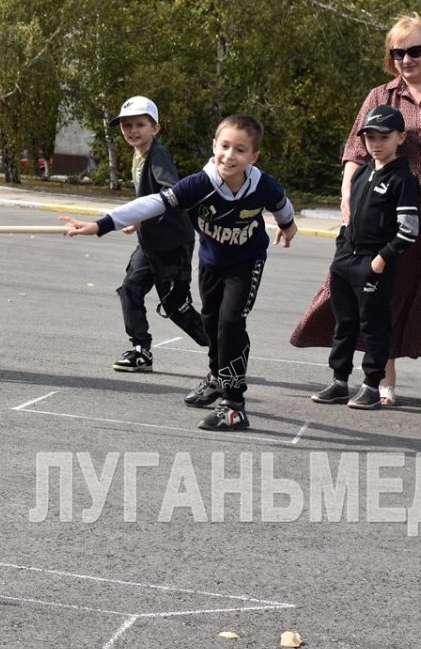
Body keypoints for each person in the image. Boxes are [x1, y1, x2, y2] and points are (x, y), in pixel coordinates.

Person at [291, 14, 421, 411]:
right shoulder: (380, 96)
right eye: (397, 52)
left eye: (414, 50)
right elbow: (354, 152)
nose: (405, 59)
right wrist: (349, 196)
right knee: (385, 291)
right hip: (388, 212)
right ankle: (382, 377)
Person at [62, 114, 298, 432]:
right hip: (212, 264)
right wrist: (101, 224)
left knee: (230, 323)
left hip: (247, 264)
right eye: (224, 146)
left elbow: (282, 205)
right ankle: (216, 377)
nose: (230, 155)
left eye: (240, 150)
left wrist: (287, 227)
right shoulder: (200, 184)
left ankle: (234, 403)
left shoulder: (262, 185)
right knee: (212, 324)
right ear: (215, 146)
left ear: (253, 156)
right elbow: (152, 203)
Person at [310, 105, 419, 410]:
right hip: (346, 260)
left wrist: (382, 259)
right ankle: (339, 381)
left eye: (383, 136)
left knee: (374, 326)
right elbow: (349, 218)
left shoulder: (403, 179)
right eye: (370, 136)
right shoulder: (362, 172)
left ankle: (372, 385)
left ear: (400, 137)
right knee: (343, 323)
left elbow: (409, 230)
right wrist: (341, 250)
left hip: (374, 264)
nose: (375, 143)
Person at [105, 95, 208, 373]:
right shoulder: (138, 154)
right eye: (126, 126)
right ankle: (141, 350)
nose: (132, 131)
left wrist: (139, 218)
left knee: (176, 306)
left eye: (140, 124)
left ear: (155, 128)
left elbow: (170, 192)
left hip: (172, 242)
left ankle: (222, 348)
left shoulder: (157, 155)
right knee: (130, 288)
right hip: (149, 242)